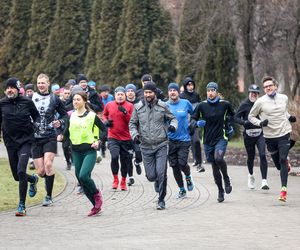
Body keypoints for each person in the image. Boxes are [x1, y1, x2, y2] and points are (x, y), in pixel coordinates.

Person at [129, 81, 178, 210]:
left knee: (161, 173)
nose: (148, 94)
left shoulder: (163, 106)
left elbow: (173, 118)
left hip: (161, 144)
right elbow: (132, 123)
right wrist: (134, 134)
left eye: (150, 92)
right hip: (145, 146)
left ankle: (161, 200)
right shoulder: (138, 107)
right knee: (151, 176)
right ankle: (156, 180)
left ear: (154, 93)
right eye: (146, 92)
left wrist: (173, 126)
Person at [248, 76, 296, 202]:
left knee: (282, 158)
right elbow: (251, 116)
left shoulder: (284, 98)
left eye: (270, 85)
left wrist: (290, 117)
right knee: (279, 165)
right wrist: (260, 123)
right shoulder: (260, 102)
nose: (268, 88)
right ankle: (286, 166)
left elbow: (284, 112)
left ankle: (283, 191)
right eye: (265, 87)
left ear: (275, 86)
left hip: (284, 133)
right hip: (270, 137)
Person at [59, 91, 105, 216]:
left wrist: (98, 141)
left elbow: (103, 129)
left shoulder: (91, 116)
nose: (75, 102)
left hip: (89, 151)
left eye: (78, 99)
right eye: (74, 100)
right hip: (76, 151)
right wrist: (61, 136)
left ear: (84, 101)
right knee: (80, 178)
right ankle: (95, 206)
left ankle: (97, 194)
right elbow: (66, 134)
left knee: (84, 176)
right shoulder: (71, 116)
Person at [0, 77, 40, 216]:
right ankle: (33, 179)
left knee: (21, 171)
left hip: (25, 141)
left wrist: (37, 124)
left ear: (18, 90)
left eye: (12, 88)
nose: (9, 90)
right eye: (8, 88)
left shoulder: (27, 102)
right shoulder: (2, 103)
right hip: (10, 143)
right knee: (17, 176)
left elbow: (36, 116)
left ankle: (21, 205)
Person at [191, 82, 235, 203]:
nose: (210, 93)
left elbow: (232, 115)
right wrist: (197, 123)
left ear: (216, 92)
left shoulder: (224, 104)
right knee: (215, 167)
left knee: (219, 158)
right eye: (208, 91)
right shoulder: (201, 106)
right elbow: (193, 119)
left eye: (213, 90)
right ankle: (220, 190)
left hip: (221, 137)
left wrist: (229, 126)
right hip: (207, 141)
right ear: (206, 92)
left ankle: (226, 178)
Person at [32, 73, 68, 206]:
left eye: (43, 83)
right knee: (41, 171)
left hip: (50, 136)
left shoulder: (54, 99)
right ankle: (35, 180)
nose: (41, 85)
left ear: (48, 84)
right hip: (35, 138)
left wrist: (60, 121)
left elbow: (64, 115)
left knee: (48, 164)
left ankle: (48, 196)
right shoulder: (31, 98)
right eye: (39, 83)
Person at [235, 84, 269, 190]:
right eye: (252, 93)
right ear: (249, 93)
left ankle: (264, 181)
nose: (254, 95)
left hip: (260, 134)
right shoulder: (244, 105)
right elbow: (235, 117)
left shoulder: (262, 104)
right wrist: (244, 122)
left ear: (258, 94)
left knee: (263, 154)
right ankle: (251, 175)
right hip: (249, 135)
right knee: (251, 157)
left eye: (256, 93)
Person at [166, 83, 194, 198]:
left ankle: (188, 176)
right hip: (171, 140)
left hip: (184, 139)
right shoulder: (165, 105)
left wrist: (193, 123)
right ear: (168, 92)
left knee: (182, 163)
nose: (172, 92)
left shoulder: (185, 103)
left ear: (178, 92)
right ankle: (182, 189)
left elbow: (194, 114)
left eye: (174, 90)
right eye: (170, 90)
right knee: (174, 166)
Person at [103, 86, 134, 191]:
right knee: (114, 156)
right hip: (113, 136)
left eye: (122, 94)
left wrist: (125, 113)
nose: (120, 96)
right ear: (115, 95)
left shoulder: (130, 106)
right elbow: (104, 115)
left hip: (126, 138)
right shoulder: (109, 105)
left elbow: (132, 121)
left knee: (124, 161)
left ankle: (123, 181)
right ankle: (115, 179)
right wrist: (106, 122)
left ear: (125, 95)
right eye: (118, 94)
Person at [180, 77, 204, 172]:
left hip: (194, 121)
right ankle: (183, 164)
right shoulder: (181, 96)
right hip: (185, 123)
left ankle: (199, 163)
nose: (190, 87)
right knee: (187, 143)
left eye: (192, 85)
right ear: (185, 86)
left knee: (196, 141)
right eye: (188, 85)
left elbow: (200, 107)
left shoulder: (196, 95)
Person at [125, 83, 142, 186]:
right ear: (126, 93)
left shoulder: (139, 103)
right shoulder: (124, 103)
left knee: (139, 153)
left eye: (132, 90)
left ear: (134, 92)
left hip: (137, 132)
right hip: (126, 133)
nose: (130, 92)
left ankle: (137, 162)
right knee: (128, 156)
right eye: (128, 91)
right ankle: (130, 177)